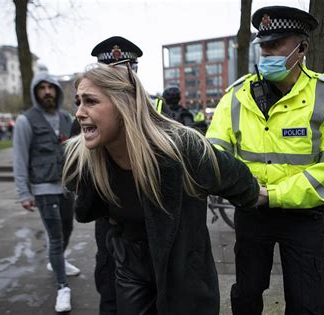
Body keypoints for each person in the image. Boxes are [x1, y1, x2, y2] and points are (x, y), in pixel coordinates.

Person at [63, 61, 260, 314]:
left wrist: (259, 198)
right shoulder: (86, 158)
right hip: (130, 267)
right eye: (78, 102)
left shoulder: (182, 148)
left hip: (184, 270)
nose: (79, 112)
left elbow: (238, 179)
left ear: (124, 106)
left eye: (90, 101)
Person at [206, 6, 324, 315]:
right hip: (251, 213)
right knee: (246, 295)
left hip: (303, 217)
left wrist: (272, 196)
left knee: (304, 302)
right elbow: (215, 155)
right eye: (263, 46)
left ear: (302, 47)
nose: (267, 53)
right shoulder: (236, 96)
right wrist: (242, 189)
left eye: (276, 45)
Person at [69, 35, 144, 315]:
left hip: (147, 225)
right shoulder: (84, 113)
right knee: (110, 285)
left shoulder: (154, 110)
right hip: (109, 221)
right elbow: (74, 173)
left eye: (121, 75)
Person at [13, 73, 80, 312]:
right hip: (43, 189)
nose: (47, 92)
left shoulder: (66, 117)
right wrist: (24, 193)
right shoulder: (25, 121)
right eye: (41, 88)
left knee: (68, 228)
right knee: (55, 237)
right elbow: (20, 159)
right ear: (35, 92)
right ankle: (62, 287)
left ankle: (57, 262)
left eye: (50, 87)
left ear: (57, 91)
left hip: (66, 188)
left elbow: (75, 152)